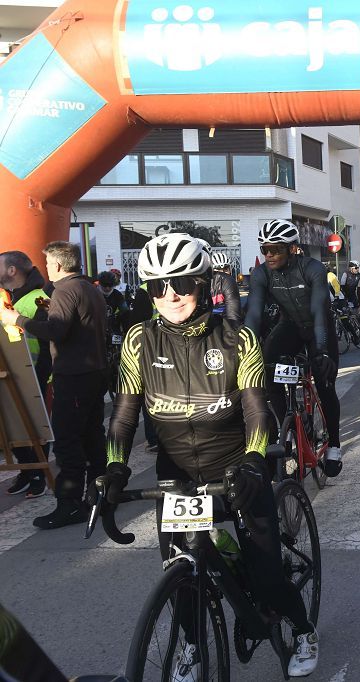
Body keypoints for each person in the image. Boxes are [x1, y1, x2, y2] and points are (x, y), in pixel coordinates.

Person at [96, 233, 319, 676]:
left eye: (181, 283)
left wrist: (256, 461)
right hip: (176, 476)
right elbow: (123, 417)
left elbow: (258, 411)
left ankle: (303, 628)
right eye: (158, 286)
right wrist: (115, 467)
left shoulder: (238, 338)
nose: (171, 295)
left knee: (269, 577)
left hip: (238, 467)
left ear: (202, 283)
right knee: (182, 575)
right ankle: (194, 647)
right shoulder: (138, 341)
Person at [0, 242, 107, 529]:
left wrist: (18, 320)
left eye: (47, 264)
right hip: (93, 372)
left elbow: (56, 331)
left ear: (58, 266)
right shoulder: (90, 289)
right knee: (93, 436)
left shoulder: (64, 290)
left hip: (73, 376)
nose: (45, 269)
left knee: (68, 442)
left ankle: (70, 504)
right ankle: (101, 494)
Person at [244, 219, 342, 477]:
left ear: (292, 248)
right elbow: (253, 315)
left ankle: (334, 445)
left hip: (319, 328)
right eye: (265, 249)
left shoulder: (313, 269)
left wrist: (320, 351)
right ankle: (284, 429)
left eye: (275, 249)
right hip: (291, 327)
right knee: (266, 366)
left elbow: (319, 311)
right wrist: (245, 350)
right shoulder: (261, 273)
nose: (269, 255)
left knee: (324, 383)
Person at [0, 251, 52, 497]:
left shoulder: (39, 299)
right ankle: (27, 469)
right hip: (10, 374)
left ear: (12, 270)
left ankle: (39, 473)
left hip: (36, 374)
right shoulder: (7, 296)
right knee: (13, 425)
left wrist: (40, 378)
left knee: (38, 426)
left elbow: (48, 342)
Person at [209, 251, 242, 325]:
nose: (222, 273)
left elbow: (234, 315)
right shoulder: (205, 285)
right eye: (218, 270)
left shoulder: (231, 283)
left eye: (225, 269)